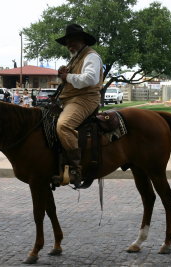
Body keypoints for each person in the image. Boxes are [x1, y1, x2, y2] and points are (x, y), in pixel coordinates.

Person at [54, 23, 103, 188]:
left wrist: (67, 77)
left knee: (64, 125)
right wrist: (65, 75)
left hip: (85, 99)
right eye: (67, 41)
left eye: (72, 40)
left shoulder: (91, 56)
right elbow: (74, 78)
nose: (69, 44)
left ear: (82, 40)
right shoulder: (76, 57)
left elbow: (90, 79)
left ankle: (76, 168)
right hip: (71, 99)